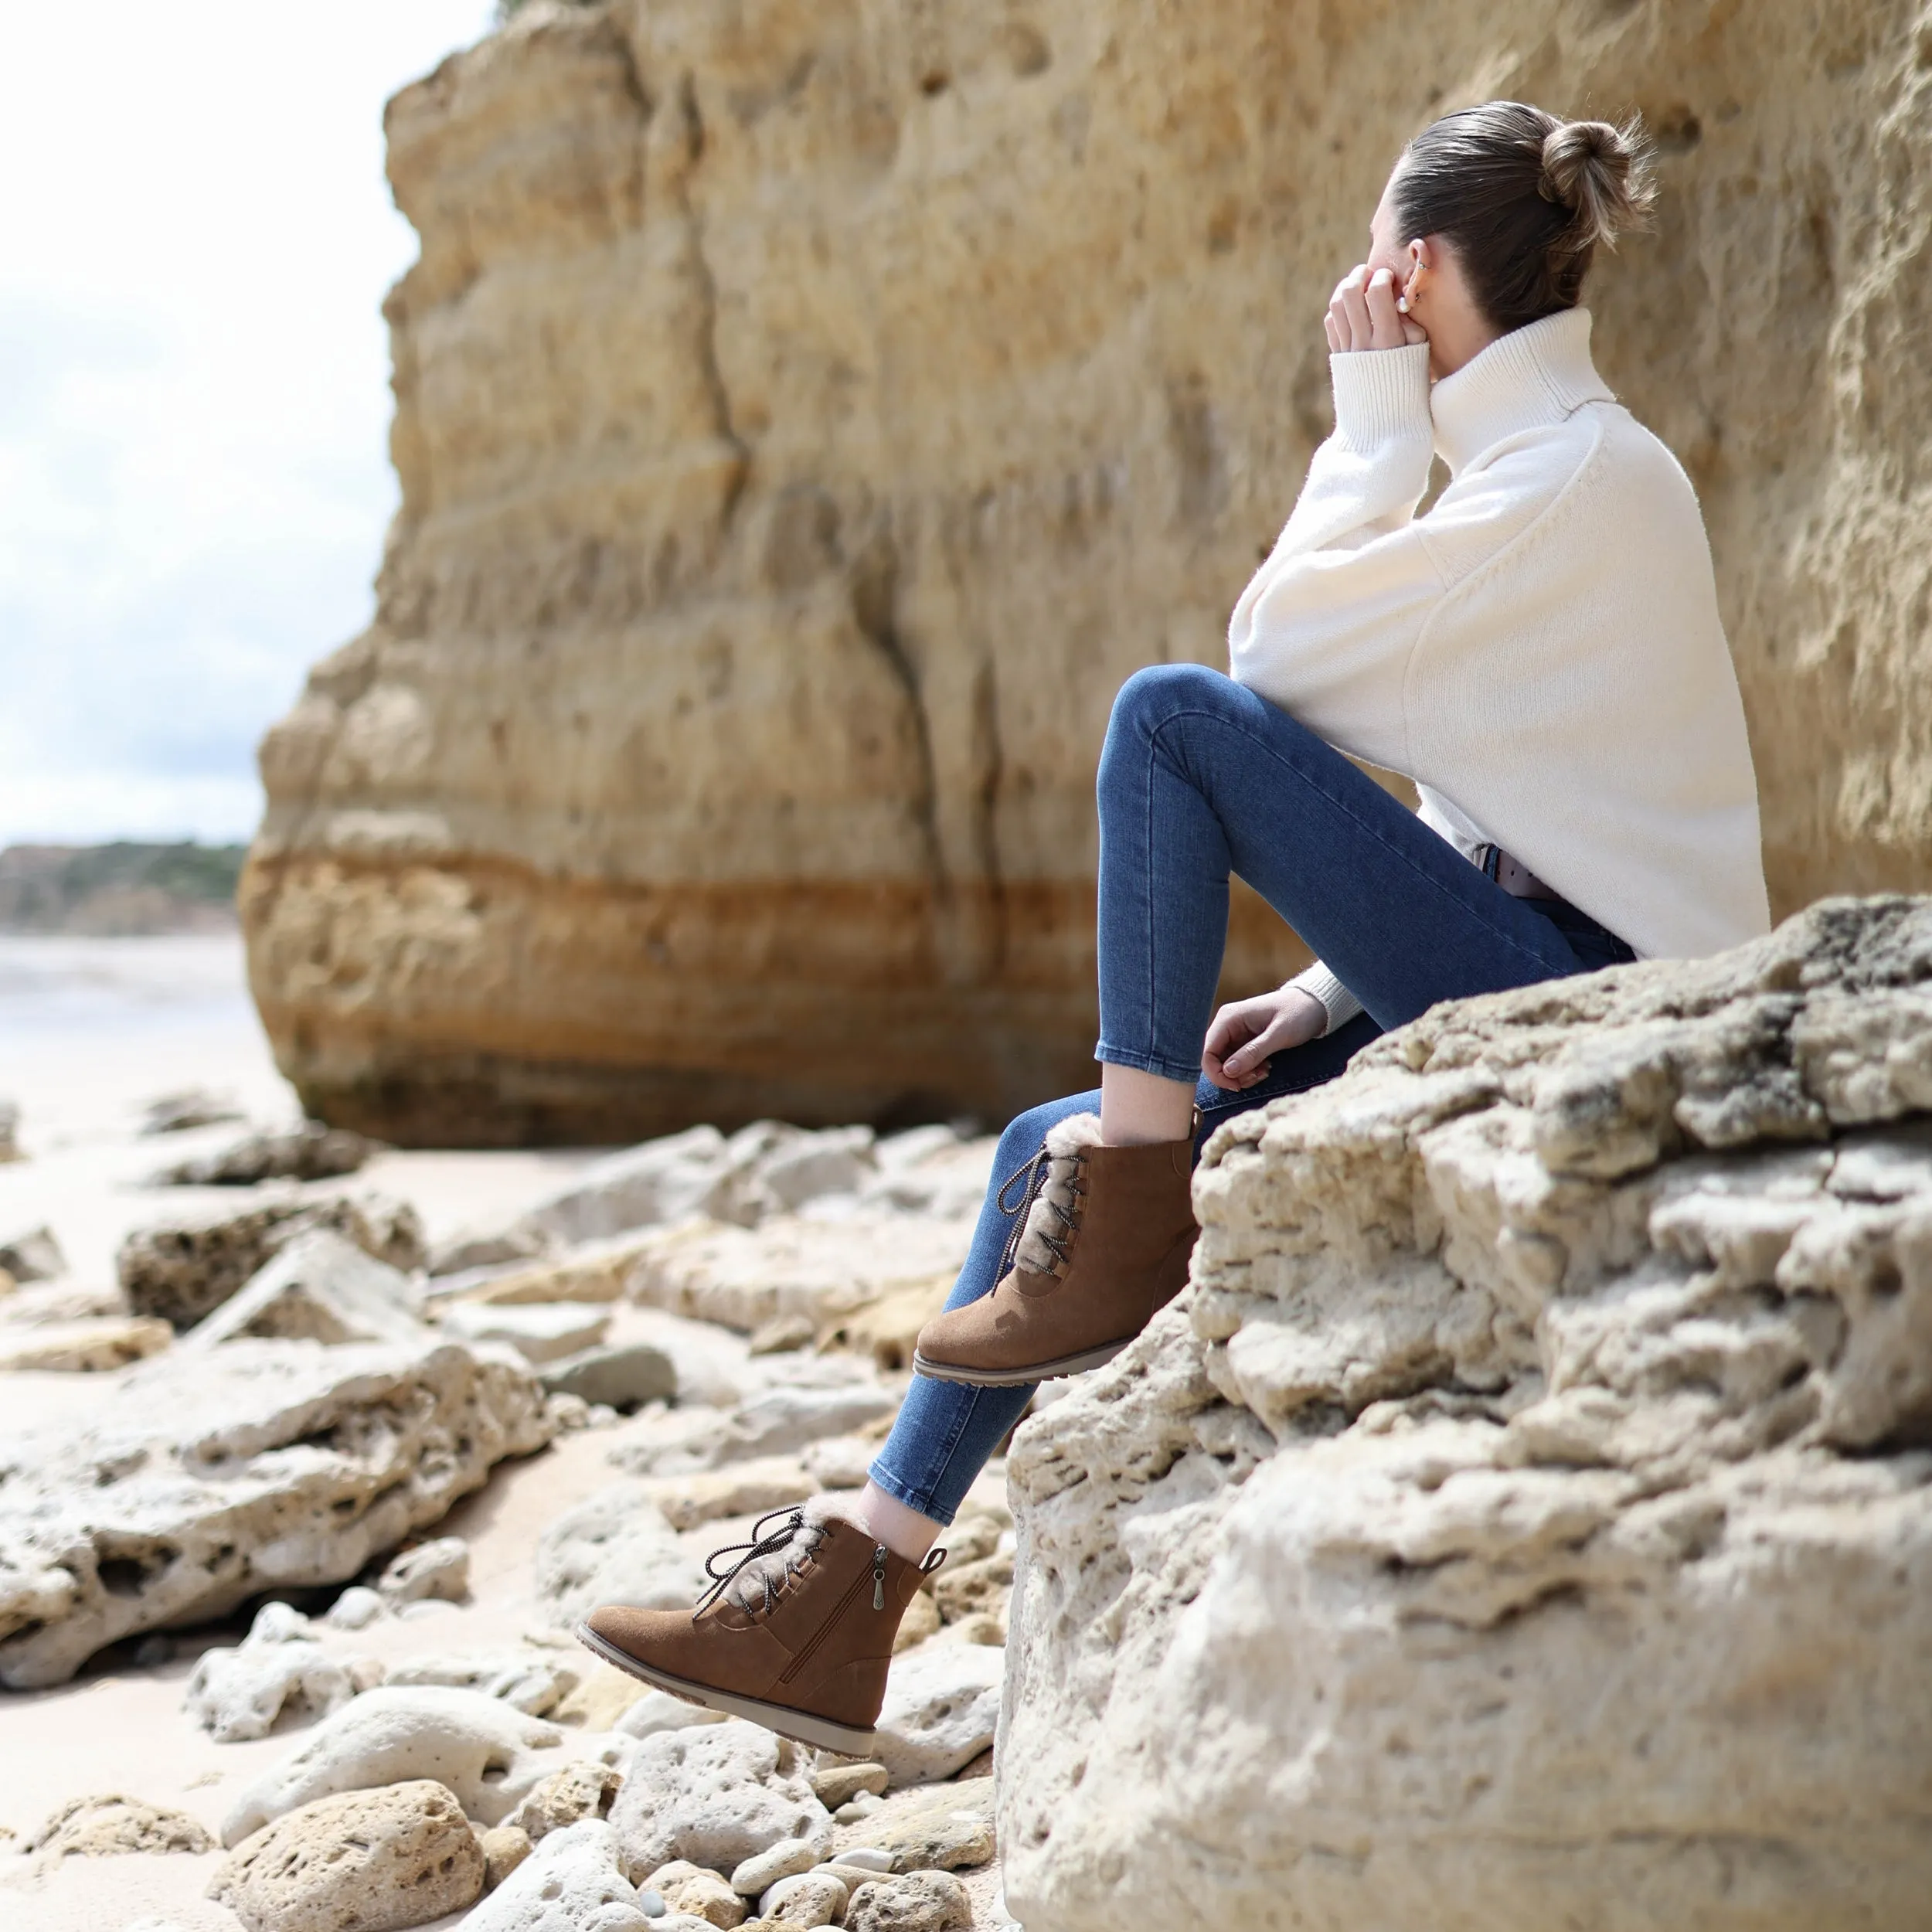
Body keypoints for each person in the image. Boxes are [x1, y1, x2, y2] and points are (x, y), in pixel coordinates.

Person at [576, 100, 1770, 1755]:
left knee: (1161, 716)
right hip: (1542, 969)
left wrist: (1364, 425)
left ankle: (1132, 1195)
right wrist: (1324, 990)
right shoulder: (1553, 465)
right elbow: (1516, 794)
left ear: (1406, 275)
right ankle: (849, 1590)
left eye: (1368, 275)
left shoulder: (1566, 474)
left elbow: (1260, 668)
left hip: (1602, 1011)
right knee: (1032, 1145)